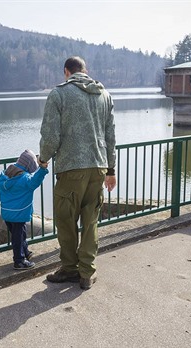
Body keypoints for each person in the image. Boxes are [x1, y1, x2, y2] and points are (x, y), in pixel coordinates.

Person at [39, 56, 116, 290]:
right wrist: (111, 170)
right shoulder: (104, 95)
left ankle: (70, 269)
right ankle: (86, 273)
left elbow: (51, 136)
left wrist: (43, 160)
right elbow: (110, 137)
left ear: (66, 72)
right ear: (85, 71)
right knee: (91, 222)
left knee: (66, 222)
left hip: (71, 169)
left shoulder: (59, 94)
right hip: (98, 168)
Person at [0, 149, 49, 270]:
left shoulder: (5, 173)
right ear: (29, 165)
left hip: (7, 212)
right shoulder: (24, 179)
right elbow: (35, 182)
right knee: (18, 237)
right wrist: (43, 169)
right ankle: (19, 261)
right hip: (19, 213)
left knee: (19, 234)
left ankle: (26, 252)